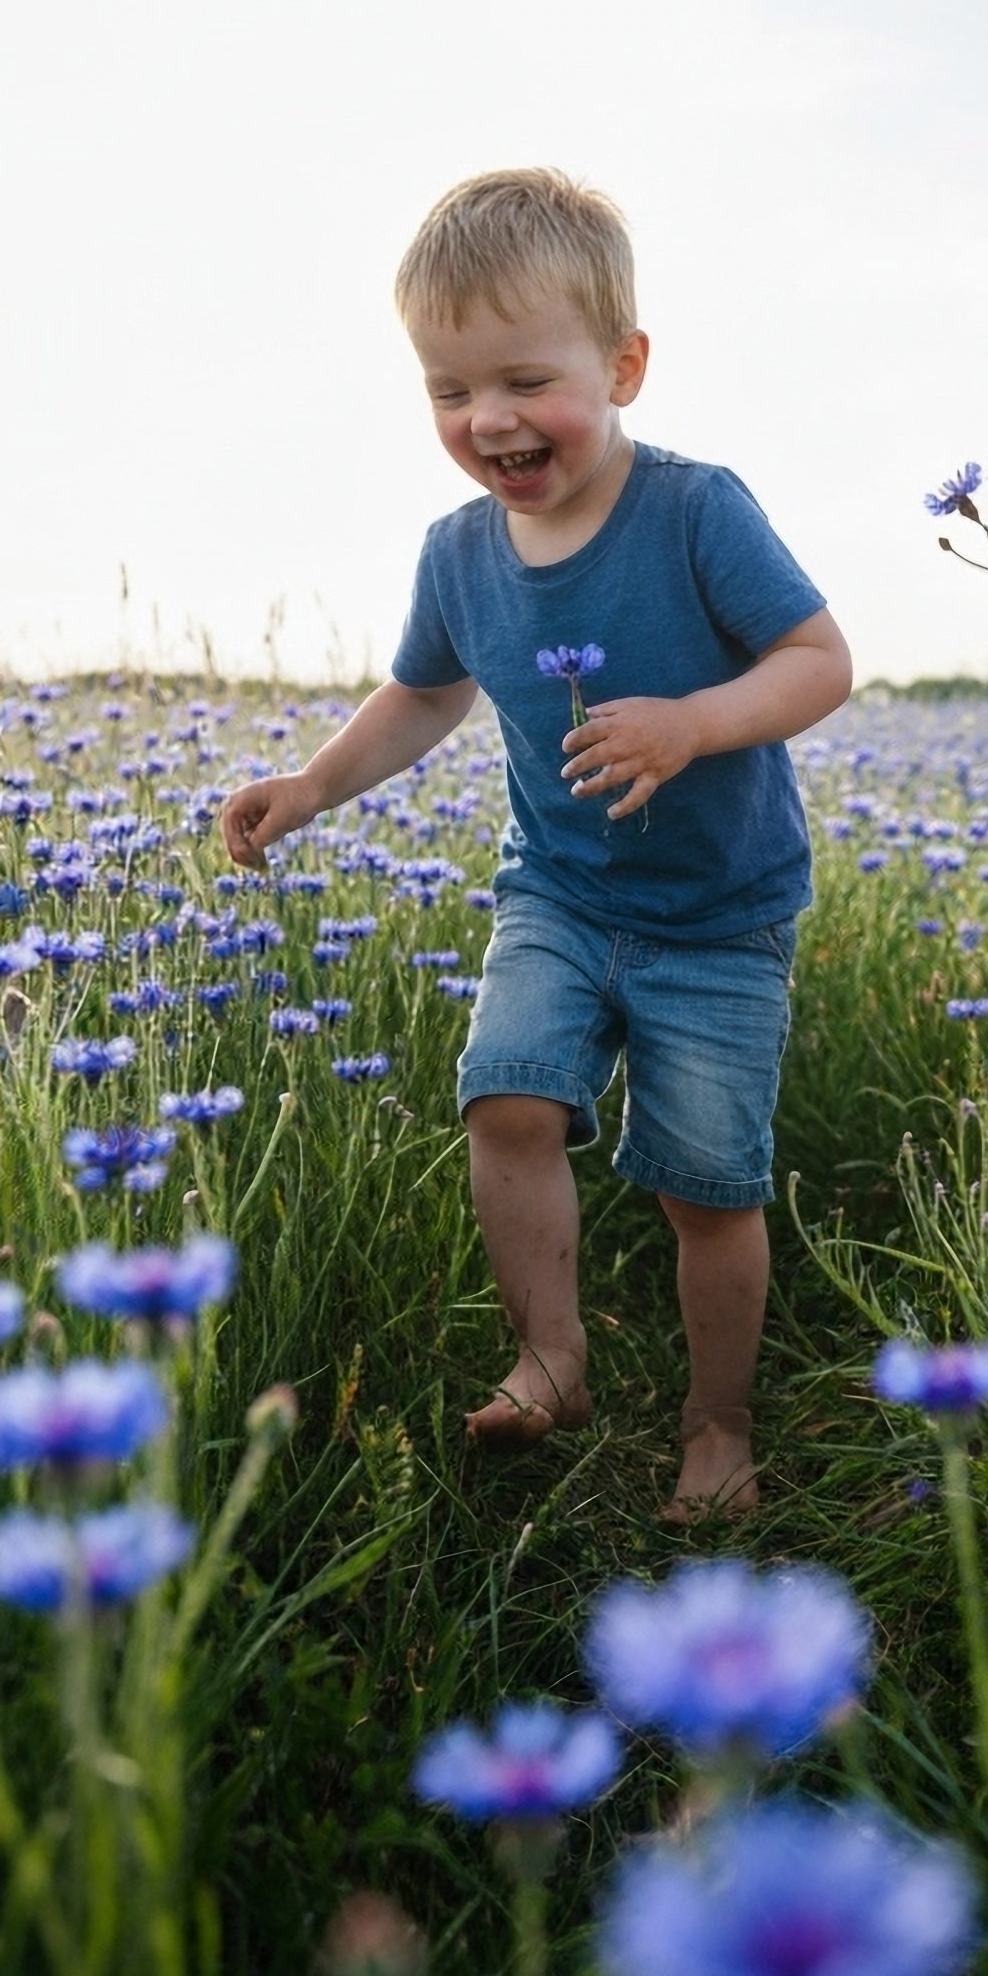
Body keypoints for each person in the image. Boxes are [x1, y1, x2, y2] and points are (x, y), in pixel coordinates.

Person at [221, 168, 851, 1517]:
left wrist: (691, 721)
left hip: (719, 916)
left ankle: (717, 1427)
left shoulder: (696, 511)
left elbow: (818, 660)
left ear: (624, 365)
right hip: (556, 896)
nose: (488, 419)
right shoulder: (458, 555)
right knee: (505, 1101)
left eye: (523, 380)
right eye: (451, 392)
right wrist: (315, 786)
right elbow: (426, 694)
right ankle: (551, 1357)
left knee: (707, 1190)